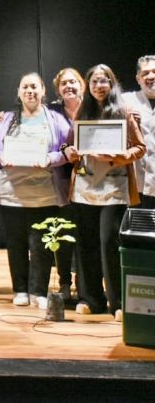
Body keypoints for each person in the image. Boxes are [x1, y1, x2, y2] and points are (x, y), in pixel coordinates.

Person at [64, 64, 145, 320]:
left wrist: (117, 157)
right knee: (86, 243)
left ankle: (117, 302)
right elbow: (68, 145)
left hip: (114, 187)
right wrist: (69, 152)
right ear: (88, 86)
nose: (99, 86)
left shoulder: (124, 111)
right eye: (95, 81)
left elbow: (140, 148)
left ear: (111, 84)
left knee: (109, 242)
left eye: (104, 81)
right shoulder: (82, 111)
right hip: (85, 187)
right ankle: (90, 299)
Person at [0, 73, 71, 309]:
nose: (30, 91)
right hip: (10, 194)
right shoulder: (6, 119)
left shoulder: (56, 119)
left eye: (34, 87)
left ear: (43, 91)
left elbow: (68, 149)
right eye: (25, 87)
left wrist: (50, 159)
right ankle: (20, 289)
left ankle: (38, 291)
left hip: (45, 195)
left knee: (41, 247)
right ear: (19, 92)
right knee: (16, 244)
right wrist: (0, 157)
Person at [47, 67, 86, 300]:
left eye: (73, 82)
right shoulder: (51, 111)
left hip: (92, 179)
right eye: (64, 83)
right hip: (62, 179)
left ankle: (84, 284)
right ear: (58, 89)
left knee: (86, 235)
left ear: (81, 84)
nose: (69, 86)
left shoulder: (93, 107)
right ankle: (63, 283)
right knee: (63, 233)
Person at [122, 55, 155, 208]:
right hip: (136, 183)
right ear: (138, 79)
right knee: (137, 222)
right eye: (145, 73)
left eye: (154, 71)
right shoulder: (125, 100)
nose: (151, 76)